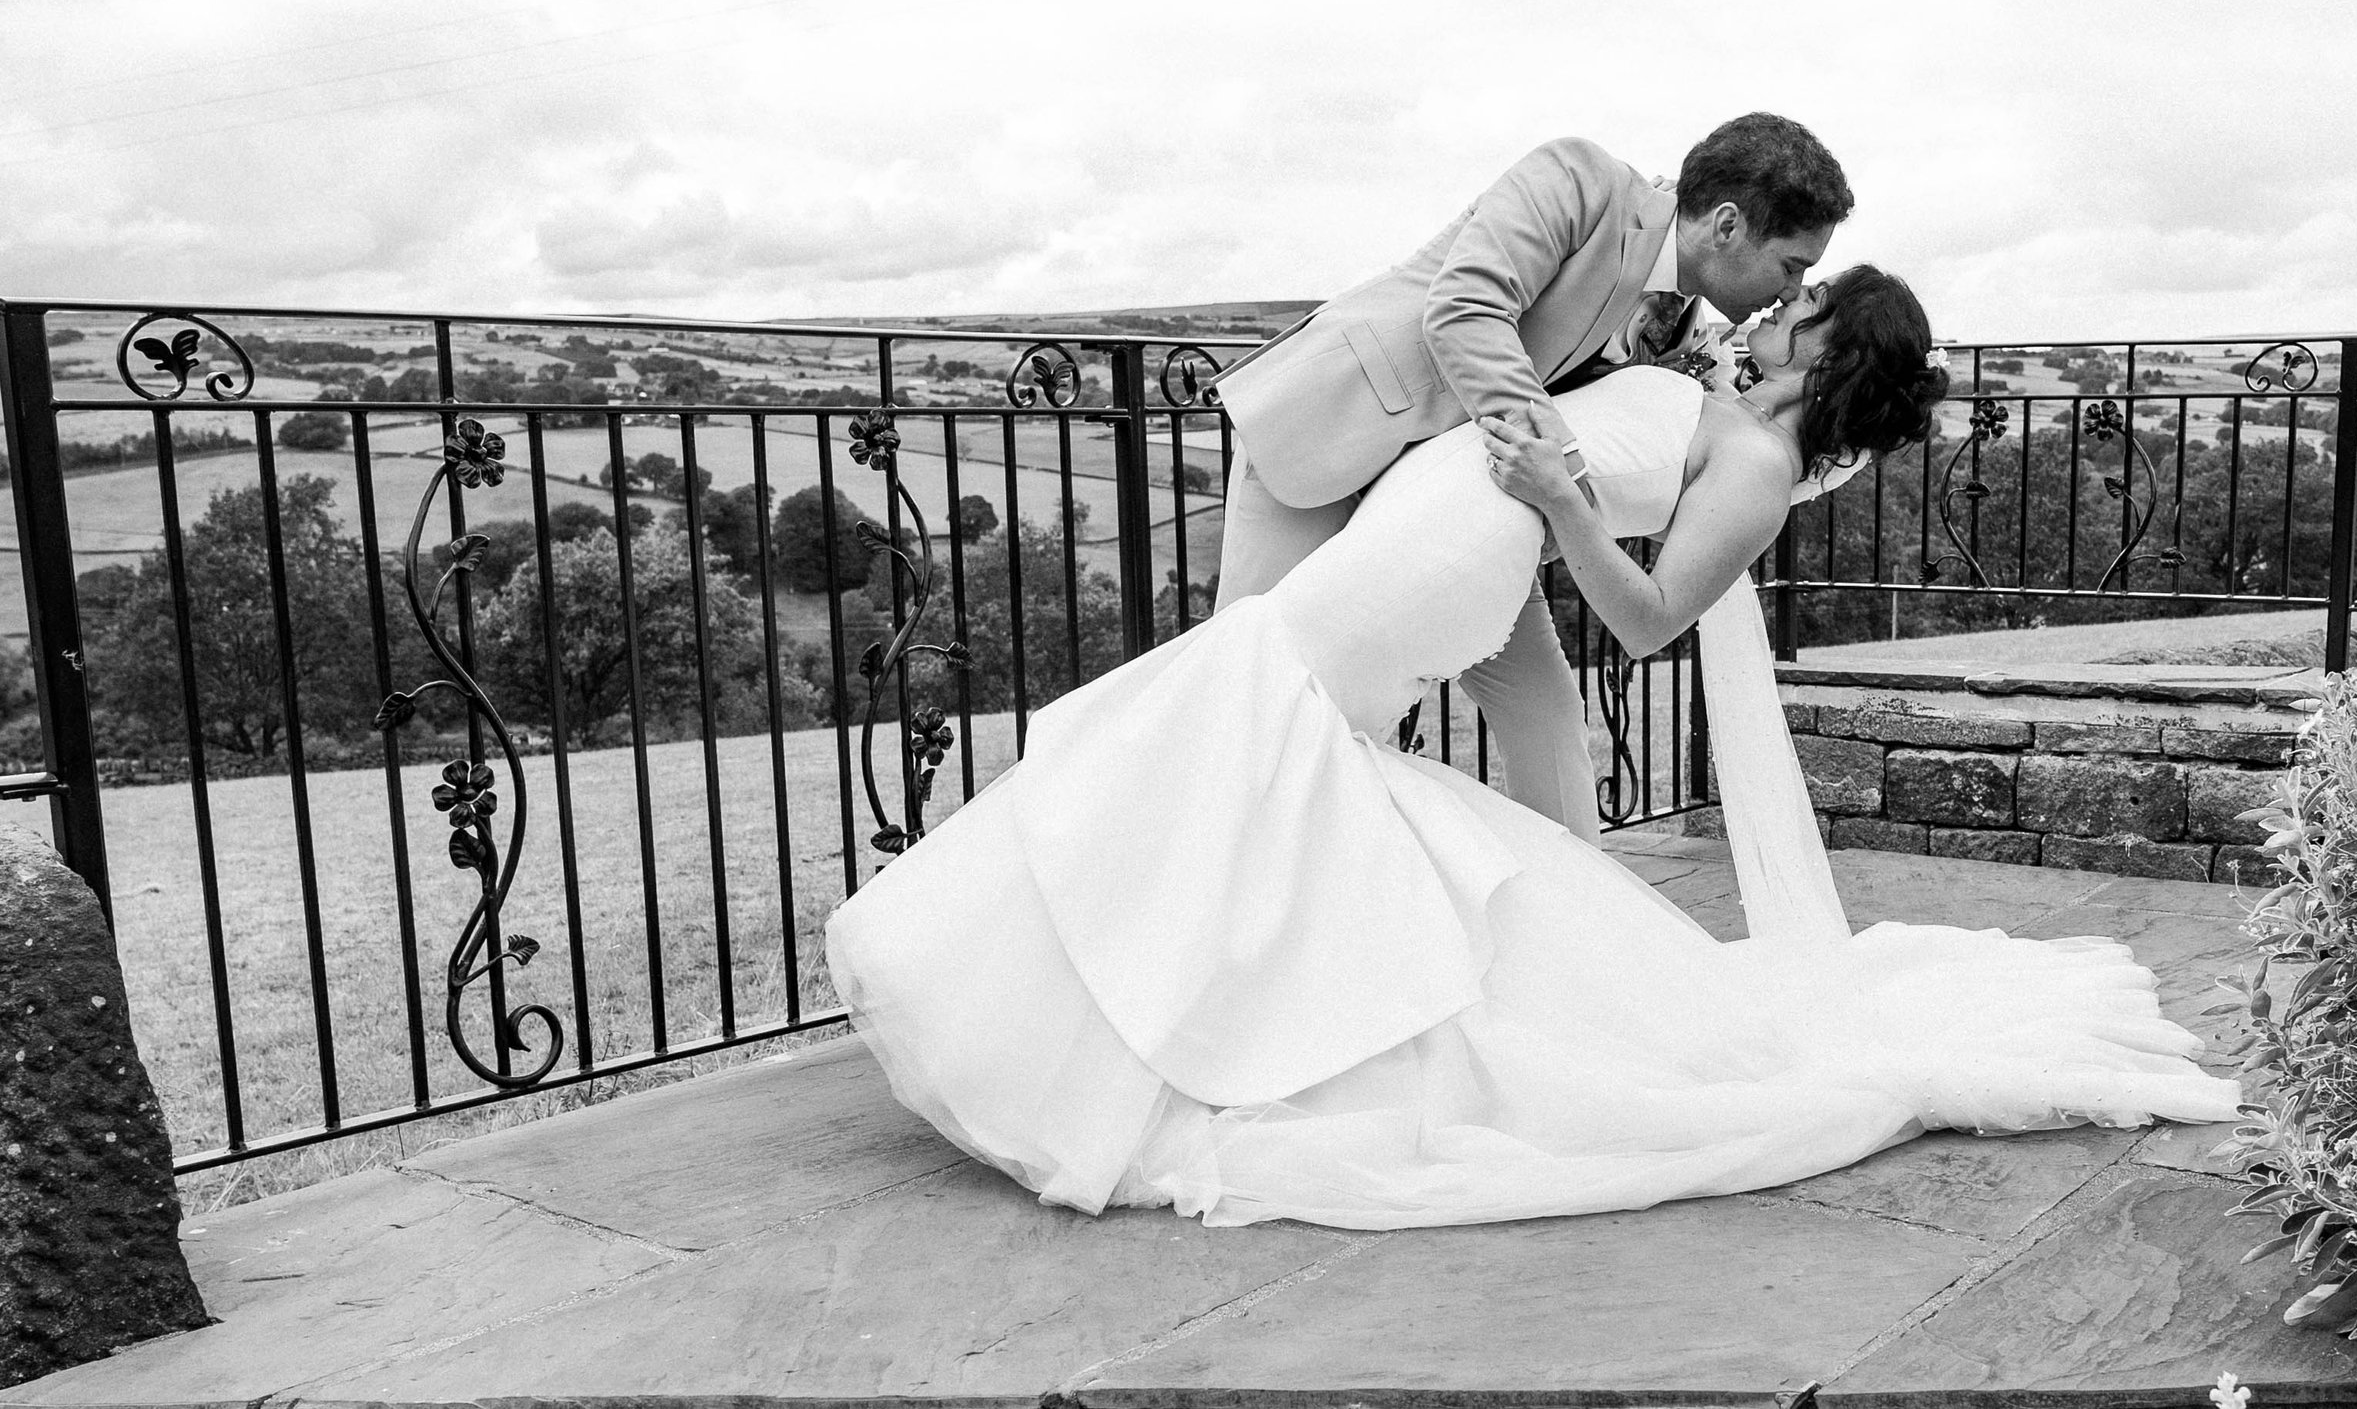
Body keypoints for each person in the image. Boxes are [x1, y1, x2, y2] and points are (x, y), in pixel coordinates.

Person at [823, 266, 2239, 1232]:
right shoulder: (1728, 406)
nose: (1779, 308)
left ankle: (1124, 1012)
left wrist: (1558, 494)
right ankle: (1199, 994)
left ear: (1835, 348)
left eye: (1804, 306)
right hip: (1450, 506)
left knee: (1255, 701)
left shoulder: (1752, 468)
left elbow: (1641, 618)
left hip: (1470, 533)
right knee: (1260, 719)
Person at [1209, 117, 1851, 847]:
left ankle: (1576, 937)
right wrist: (1564, 482)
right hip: (1331, 439)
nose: (1790, 291)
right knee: (1248, 695)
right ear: (1729, 225)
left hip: (1455, 515)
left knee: (1548, 723)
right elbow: (1465, 308)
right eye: (1793, 265)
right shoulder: (1580, 180)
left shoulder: (1687, 333)